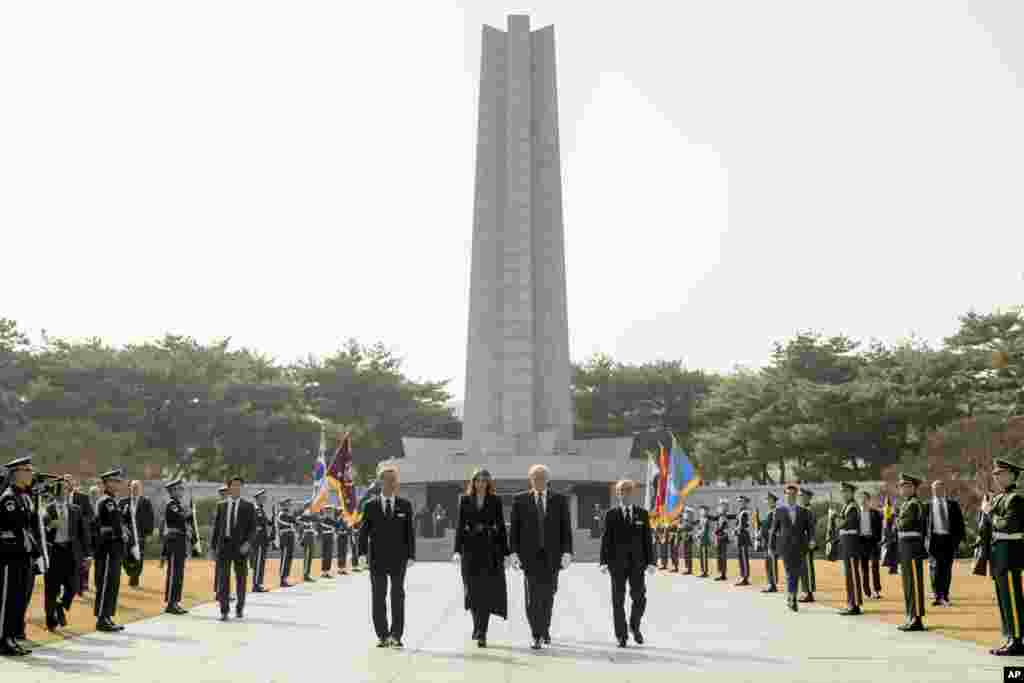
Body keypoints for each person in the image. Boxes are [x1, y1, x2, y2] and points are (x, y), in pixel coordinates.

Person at [508, 463, 573, 651]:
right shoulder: (519, 500)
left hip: (552, 557)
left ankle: (544, 628)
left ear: (548, 480)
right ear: (530, 480)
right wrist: (513, 552)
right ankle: (536, 634)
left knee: (549, 595)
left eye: (542, 478)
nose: (539, 481)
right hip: (530, 558)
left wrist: (567, 552)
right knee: (532, 598)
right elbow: (515, 529)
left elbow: (565, 528)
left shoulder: (559, 500)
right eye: (535, 478)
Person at [357, 463, 416, 648]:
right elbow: (363, 532)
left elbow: (409, 533)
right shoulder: (370, 506)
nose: (391, 483)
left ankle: (396, 635)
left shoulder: (405, 505)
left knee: (398, 596)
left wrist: (411, 555)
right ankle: (382, 635)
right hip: (377, 559)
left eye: (394, 480)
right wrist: (361, 554)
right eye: (387, 480)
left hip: (398, 559)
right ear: (380, 482)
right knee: (378, 597)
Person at [452, 468, 510, 648]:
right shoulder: (464, 500)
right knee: (472, 591)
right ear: (473, 482)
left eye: (484, 480)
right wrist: (457, 550)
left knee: (485, 592)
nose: (481, 483)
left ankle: (482, 632)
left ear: (488, 483)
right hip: (469, 551)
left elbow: (501, 526)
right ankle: (477, 626)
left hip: (489, 551)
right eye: (478, 480)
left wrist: (506, 552)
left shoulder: (495, 500)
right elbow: (460, 526)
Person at [599, 479, 655, 648]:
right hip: (617, 564)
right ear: (617, 494)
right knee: (618, 600)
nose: (624, 495)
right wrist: (603, 561)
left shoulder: (642, 514)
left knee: (640, 598)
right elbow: (606, 539)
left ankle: (634, 626)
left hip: (638, 564)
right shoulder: (611, 514)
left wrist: (651, 561)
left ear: (633, 493)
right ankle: (621, 635)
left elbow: (647, 539)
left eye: (627, 491)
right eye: (621, 492)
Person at [982, 458, 1024, 656]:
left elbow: (1008, 526)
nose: (997, 477)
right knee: (1003, 598)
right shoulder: (999, 498)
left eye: (1001, 474)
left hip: (1010, 553)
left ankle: (1017, 639)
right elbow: (989, 526)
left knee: (1013, 598)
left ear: (1012, 476)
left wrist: (989, 513)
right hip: (998, 554)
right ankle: (1009, 636)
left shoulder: (1015, 499)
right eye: (995, 474)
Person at [1, 455, 42, 656]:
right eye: (27, 470)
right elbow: (15, 528)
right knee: (7, 600)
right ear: (16, 473)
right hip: (10, 556)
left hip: (23, 556)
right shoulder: (9, 498)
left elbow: (30, 528)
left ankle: (10, 637)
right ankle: (3, 639)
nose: (31, 474)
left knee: (18, 599)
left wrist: (37, 554)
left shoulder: (24, 497)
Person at [42, 476, 92, 631]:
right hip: (53, 552)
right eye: (59, 488)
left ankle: (61, 604)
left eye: (65, 488)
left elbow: (84, 533)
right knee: (51, 588)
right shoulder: (46, 509)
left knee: (73, 586)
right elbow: (39, 532)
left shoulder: (75, 509)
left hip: (71, 553)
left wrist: (88, 554)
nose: (62, 491)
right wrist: (49, 526)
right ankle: (51, 620)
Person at [210, 475, 256, 621]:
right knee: (223, 579)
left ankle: (240, 607)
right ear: (229, 488)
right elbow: (217, 528)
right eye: (234, 485)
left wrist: (248, 544)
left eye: (239, 485)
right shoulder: (221, 505)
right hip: (224, 547)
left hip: (241, 548)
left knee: (241, 579)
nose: (236, 488)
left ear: (242, 488)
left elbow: (253, 529)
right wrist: (212, 547)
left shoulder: (248, 506)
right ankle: (224, 611)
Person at [769, 483, 815, 612]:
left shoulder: (804, 511)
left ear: (796, 496)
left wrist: (812, 539)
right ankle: (792, 597)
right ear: (785, 495)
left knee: (796, 573)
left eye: (793, 494)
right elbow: (774, 530)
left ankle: (791, 596)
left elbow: (810, 527)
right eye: (788, 494)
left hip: (800, 547)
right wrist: (771, 547)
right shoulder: (779, 511)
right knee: (790, 573)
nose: (791, 496)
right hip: (785, 546)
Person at [94, 468, 128, 632]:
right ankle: (102, 618)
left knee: (113, 584)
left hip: (114, 549)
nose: (118, 484)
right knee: (106, 583)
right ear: (107, 483)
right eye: (114, 481)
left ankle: (107, 616)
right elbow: (102, 527)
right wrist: (121, 531)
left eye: (118, 481)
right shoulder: (106, 501)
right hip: (107, 549)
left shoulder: (113, 501)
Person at [926, 479, 965, 607]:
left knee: (947, 569)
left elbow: (960, 524)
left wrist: (960, 540)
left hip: (949, 539)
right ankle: (937, 596)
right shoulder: (928, 505)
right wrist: (924, 541)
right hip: (934, 540)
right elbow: (923, 525)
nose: (937, 491)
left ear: (944, 489)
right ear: (932, 490)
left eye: (939, 488)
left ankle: (945, 595)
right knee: (935, 568)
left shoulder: (953, 504)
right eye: (935, 489)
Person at [896, 473, 927, 632]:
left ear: (914, 488)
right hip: (906, 546)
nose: (902, 489)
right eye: (901, 486)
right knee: (908, 583)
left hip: (912, 547)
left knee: (913, 583)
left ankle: (916, 618)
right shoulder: (906, 504)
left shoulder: (914, 504)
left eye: (906, 486)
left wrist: (895, 520)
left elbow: (904, 524)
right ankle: (911, 616)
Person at [161, 477, 194, 615]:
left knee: (178, 573)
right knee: (174, 572)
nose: (181, 491)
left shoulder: (178, 505)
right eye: (178, 489)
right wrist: (188, 514)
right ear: (172, 491)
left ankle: (175, 601)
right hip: (174, 542)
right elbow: (181, 519)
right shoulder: (172, 505)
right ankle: (171, 602)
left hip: (179, 541)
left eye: (181, 489)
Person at [120, 480, 155, 589]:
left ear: (141, 489)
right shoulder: (123, 502)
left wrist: (149, 533)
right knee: (125, 556)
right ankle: (130, 572)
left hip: (140, 534)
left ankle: (134, 580)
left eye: (137, 487)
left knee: (138, 557)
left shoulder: (146, 502)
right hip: (127, 535)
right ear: (129, 488)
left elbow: (150, 518)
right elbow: (118, 518)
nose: (135, 489)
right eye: (133, 487)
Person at [837, 482, 864, 616]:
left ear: (852, 493)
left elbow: (845, 524)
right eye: (842, 492)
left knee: (853, 574)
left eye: (846, 492)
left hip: (852, 543)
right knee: (849, 574)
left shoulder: (853, 507)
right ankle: (850, 602)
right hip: (846, 543)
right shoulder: (846, 506)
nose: (843, 494)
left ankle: (855, 604)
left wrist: (835, 519)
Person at [69, 477, 94, 597]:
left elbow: (90, 515)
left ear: (74, 483)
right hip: (64, 537)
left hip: (79, 535)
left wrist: (80, 522)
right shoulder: (57, 497)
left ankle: (80, 587)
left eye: (70, 480)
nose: (68, 483)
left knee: (80, 562)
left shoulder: (83, 497)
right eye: (65, 481)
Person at [857, 490, 883, 600]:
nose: (862, 501)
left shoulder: (875, 513)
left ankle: (876, 590)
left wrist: (879, 541)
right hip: (861, 543)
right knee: (864, 568)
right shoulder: (856, 513)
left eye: (865, 498)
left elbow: (880, 528)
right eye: (861, 498)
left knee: (875, 567)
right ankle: (866, 591)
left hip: (873, 542)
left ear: (868, 500)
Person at [797, 488, 817, 603]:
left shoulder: (808, 510)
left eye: (803, 496)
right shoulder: (803, 510)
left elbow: (811, 528)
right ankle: (806, 591)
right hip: (801, 542)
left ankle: (809, 593)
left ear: (808, 498)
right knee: (803, 568)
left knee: (808, 568)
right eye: (800, 496)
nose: (801, 498)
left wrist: (812, 540)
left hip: (807, 542)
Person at [251, 489, 272, 592]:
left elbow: (267, 522)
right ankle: (256, 584)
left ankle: (259, 583)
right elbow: (259, 522)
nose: (265, 499)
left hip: (263, 539)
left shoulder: (261, 509)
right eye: (263, 497)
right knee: (258, 562)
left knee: (261, 562)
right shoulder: (256, 509)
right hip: (258, 539)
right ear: (258, 498)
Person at [761, 492, 780, 593]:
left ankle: (773, 584)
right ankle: (770, 583)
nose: (767, 502)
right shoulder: (769, 512)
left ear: (773, 501)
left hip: (772, 542)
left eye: (769, 500)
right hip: (766, 541)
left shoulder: (775, 512)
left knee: (771, 563)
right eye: (767, 501)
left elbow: (774, 528)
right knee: (768, 563)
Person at [276, 498, 296, 588]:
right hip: (285, 538)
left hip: (290, 537)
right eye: (288, 504)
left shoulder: (287, 514)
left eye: (290, 504)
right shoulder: (282, 514)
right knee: (285, 558)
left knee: (289, 557)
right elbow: (292, 520)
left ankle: (285, 578)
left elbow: (293, 520)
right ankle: (282, 579)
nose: (290, 505)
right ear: (284, 505)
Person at [734, 496, 752, 586]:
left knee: (744, 557)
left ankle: (745, 577)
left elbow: (743, 525)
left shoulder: (745, 512)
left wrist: (736, 529)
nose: (740, 503)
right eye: (739, 502)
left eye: (741, 502)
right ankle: (743, 576)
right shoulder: (740, 512)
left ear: (745, 502)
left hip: (743, 536)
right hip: (740, 536)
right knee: (741, 557)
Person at [713, 498, 730, 581]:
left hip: (722, 539)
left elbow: (725, 529)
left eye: (723, 505)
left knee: (722, 556)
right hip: (719, 538)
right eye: (720, 505)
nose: (720, 507)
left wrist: (717, 533)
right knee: (719, 556)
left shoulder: (724, 517)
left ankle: (723, 574)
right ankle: (721, 573)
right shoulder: (720, 517)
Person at [319, 506, 336, 578]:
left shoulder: (332, 520)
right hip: (324, 538)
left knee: (329, 555)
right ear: (325, 512)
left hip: (330, 538)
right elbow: (318, 528)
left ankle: (327, 571)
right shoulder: (322, 520)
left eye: (330, 512)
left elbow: (338, 527)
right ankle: (323, 571)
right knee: (324, 555)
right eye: (327, 511)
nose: (329, 513)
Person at [697, 505, 711, 577]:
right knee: (701, 556)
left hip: (704, 539)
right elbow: (699, 528)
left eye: (703, 510)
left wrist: (698, 534)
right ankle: (702, 571)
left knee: (704, 555)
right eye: (701, 510)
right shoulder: (701, 519)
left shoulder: (706, 520)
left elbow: (704, 530)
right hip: (701, 539)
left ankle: (705, 571)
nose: (701, 511)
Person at [680, 507, 696, 575]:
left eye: (686, 513)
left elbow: (693, 530)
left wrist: (689, 533)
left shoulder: (691, 522)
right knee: (685, 554)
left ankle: (689, 569)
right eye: (684, 513)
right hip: (684, 539)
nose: (684, 514)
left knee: (688, 554)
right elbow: (682, 530)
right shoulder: (684, 521)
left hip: (689, 539)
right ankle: (686, 568)